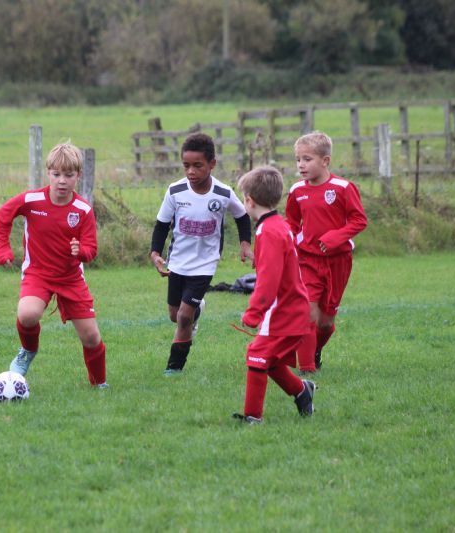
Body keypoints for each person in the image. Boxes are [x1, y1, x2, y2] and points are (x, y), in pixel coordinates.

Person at [0, 142, 108, 388]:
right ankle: (27, 351)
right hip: (38, 274)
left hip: (70, 278)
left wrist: (82, 252)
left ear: (79, 175)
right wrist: (2, 248)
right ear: (48, 173)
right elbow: (3, 214)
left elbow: (91, 249)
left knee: (91, 337)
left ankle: (99, 384)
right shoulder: (31, 200)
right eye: (56, 175)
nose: (62, 181)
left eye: (69, 175)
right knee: (27, 314)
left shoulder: (83, 210)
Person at [150, 132, 252, 376]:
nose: (191, 171)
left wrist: (245, 244)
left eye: (198, 165)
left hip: (205, 264)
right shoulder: (175, 191)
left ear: (212, 164)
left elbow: (242, 215)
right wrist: (155, 253)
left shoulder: (223, 193)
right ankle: (198, 310)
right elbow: (162, 224)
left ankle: (174, 368)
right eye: (186, 165)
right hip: (178, 262)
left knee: (184, 317)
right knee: (175, 315)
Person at [232, 166, 315, 424]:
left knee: (256, 355)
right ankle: (302, 391)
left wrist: (254, 312)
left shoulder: (267, 231)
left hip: (284, 311)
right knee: (270, 359)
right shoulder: (278, 225)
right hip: (293, 309)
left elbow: (268, 280)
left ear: (249, 200)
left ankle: (253, 417)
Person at [285, 131, 368, 373]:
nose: (301, 165)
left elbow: (359, 220)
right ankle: (307, 370)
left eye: (307, 159)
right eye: (298, 159)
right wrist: (285, 242)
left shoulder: (343, 188)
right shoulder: (297, 190)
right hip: (307, 260)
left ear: (325, 161)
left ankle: (315, 350)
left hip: (338, 262)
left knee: (325, 322)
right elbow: (292, 222)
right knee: (307, 314)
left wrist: (335, 237)